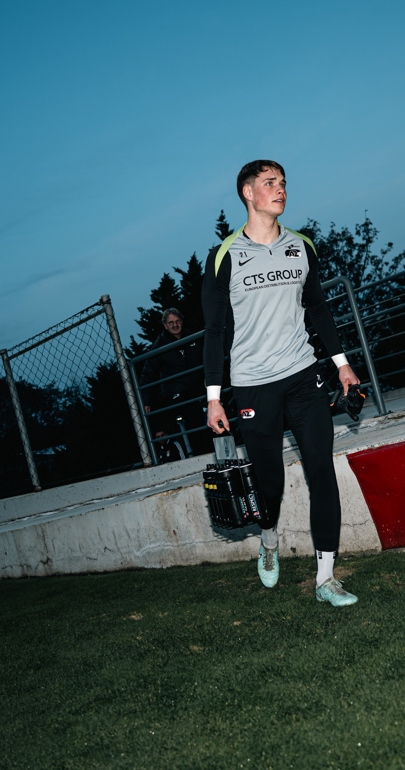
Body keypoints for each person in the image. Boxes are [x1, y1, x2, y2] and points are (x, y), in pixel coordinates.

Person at [202, 160, 361, 607]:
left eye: (284, 183)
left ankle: (326, 578)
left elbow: (318, 309)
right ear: (247, 193)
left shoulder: (301, 246)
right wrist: (214, 398)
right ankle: (269, 538)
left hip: (302, 374)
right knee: (269, 483)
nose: (280, 190)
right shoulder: (224, 256)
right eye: (270, 183)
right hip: (253, 385)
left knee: (321, 471)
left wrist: (342, 365)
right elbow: (214, 331)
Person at [139, 308, 208, 457]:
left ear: (182, 321)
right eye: (171, 323)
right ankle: (199, 455)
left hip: (198, 389)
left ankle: (212, 450)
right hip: (177, 392)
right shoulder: (160, 345)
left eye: (177, 321)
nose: (175, 325)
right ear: (165, 325)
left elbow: (206, 358)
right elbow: (148, 373)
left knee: (209, 417)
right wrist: (146, 400)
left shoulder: (192, 337)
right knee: (193, 421)